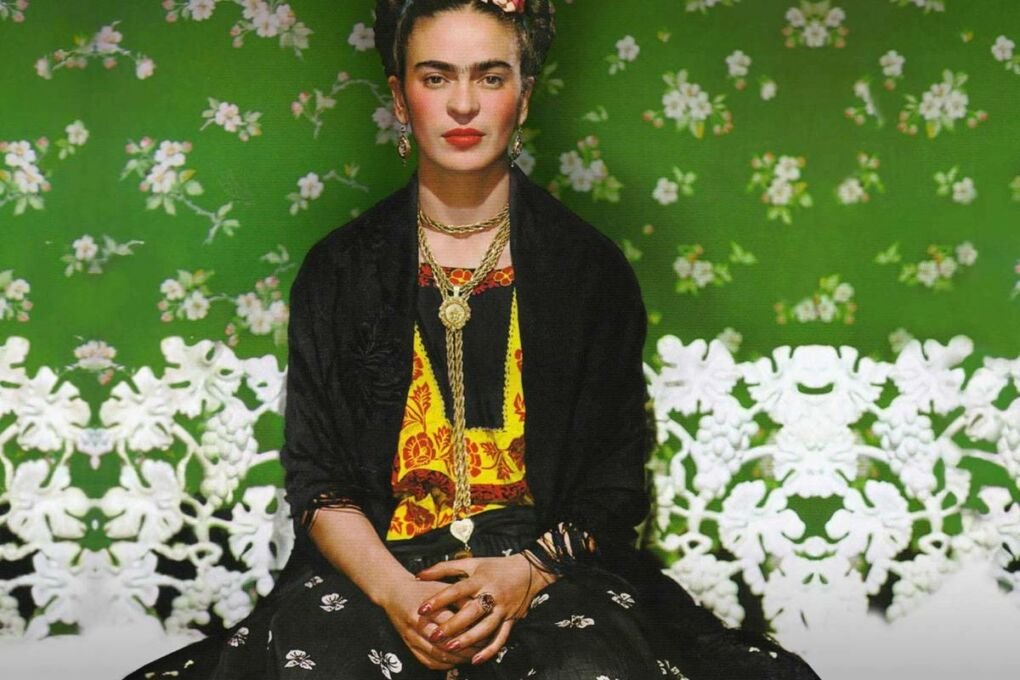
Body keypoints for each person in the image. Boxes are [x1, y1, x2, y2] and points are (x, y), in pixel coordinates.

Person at [126, 1, 821, 678]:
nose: (464, 104)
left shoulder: (589, 269)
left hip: (546, 574)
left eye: (490, 77)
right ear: (401, 98)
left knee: (588, 665)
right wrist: (401, 595)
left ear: (524, 97)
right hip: (377, 573)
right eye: (436, 77)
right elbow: (317, 478)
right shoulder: (339, 270)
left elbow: (613, 488)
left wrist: (520, 577)